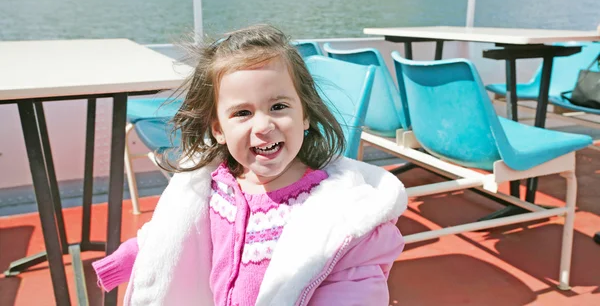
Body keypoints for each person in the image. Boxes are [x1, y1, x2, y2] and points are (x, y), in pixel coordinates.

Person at [92, 24, 407, 305]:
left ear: (305, 115)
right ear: (218, 129)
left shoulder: (334, 212)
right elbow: (169, 236)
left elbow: (354, 281)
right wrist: (120, 263)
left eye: (279, 106)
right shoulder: (215, 186)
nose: (263, 126)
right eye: (242, 113)